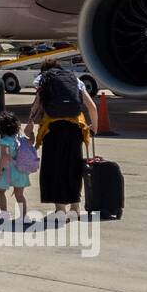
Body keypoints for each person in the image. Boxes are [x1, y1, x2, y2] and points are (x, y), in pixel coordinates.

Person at [24, 58, 98, 217]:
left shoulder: (44, 79)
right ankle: (75, 208)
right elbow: (92, 107)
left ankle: (60, 210)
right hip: (75, 128)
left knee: (55, 167)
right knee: (73, 167)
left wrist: (30, 124)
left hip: (53, 129)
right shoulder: (74, 79)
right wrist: (94, 127)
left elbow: (37, 104)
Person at [0, 111, 31, 223]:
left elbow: (5, 156)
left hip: (8, 171)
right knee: (19, 194)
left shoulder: (5, 141)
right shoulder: (19, 139)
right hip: (21, 170)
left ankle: (4, 213)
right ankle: (24, 217)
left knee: (0, 191)